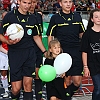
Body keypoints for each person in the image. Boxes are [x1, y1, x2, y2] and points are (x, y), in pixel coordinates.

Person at [0, 0, 46, 100]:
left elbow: (36, 37)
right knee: (16, 89)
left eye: (29, 3)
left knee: (28, 86)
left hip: (29, 53)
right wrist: (8, 42)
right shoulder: (9, 16)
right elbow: (1, 35)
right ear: (19, 2)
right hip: (15, 54)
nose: (27, 6)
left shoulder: (33, 18)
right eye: (24, 2)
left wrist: (45, 51)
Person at [46, 0, 85, 99]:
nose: (68, 4)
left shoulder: (77, 16)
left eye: (70, 2)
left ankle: (65, 97)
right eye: (65, 2)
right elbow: (50, 36)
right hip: (62, 54)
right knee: (66, 81)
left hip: (76, 52)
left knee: (77, 81)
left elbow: (82, 34)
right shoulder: (55, 18)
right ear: (60, 4)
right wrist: (50, 51)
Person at [81, 8, 100, 100]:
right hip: (93, 64)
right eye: (96, 17)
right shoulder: (87, 34)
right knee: (98, 88)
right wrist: (85, 67)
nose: (99, 19)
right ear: (92, 19)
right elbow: (84, 51)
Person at [28, 0, 43, 100]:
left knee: (38, 74)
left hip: (37, 49)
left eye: (34, 2)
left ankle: (39, 97)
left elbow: (39, 34)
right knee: (27, 76)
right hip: (26, 49)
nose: (32, 5)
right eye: (30, 2)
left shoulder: (38, 16)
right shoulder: (21, 16)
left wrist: (42, 49)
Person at [0, 11, 9, 98]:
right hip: (4, 53)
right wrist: (7, 52)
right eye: (4, 17)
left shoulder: (16, 28)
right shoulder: (1, 29)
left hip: (16, 52)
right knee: (4, 72)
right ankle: (6, 90)